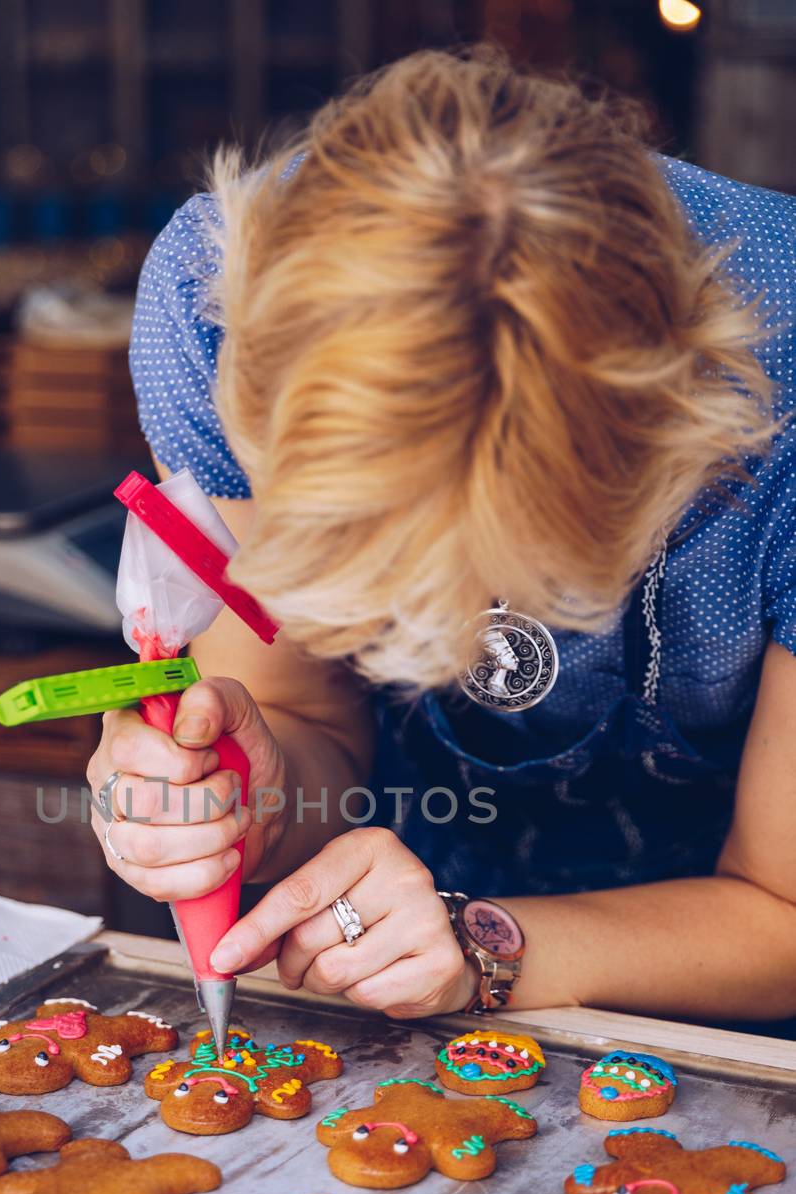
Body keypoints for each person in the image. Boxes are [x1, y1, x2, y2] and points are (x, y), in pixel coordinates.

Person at [87, 48, 796, 1026]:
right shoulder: (211, 302)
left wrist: (481, 942)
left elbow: (781, 910)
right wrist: (251, 796)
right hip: (400, 942)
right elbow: (310, 718)